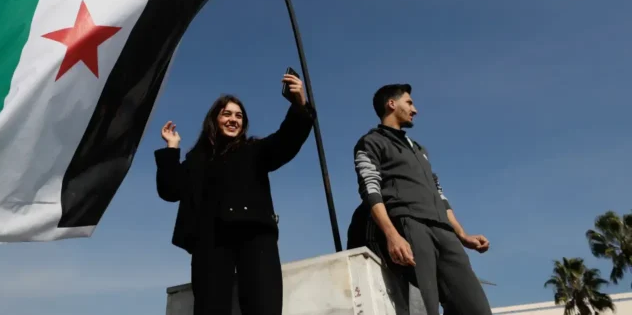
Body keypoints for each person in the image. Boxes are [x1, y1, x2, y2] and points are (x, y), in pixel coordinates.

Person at [155, 72, 315, 315]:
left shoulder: (254, 150)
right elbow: (169, 190)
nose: (233, 120)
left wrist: (299, 104)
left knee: (264, 306)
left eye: (239, 116)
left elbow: (286, 141)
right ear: (214, 119)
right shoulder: (196, 160)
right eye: (227, 114)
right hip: (209, 242)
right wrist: (172, 148)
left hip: (255, 236)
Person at [351, 83, 491, 315]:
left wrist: (462, 235)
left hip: (444, 232)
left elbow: (439, 194)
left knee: (475, 307)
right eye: (409, 102)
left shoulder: (419, 150)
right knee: (426, 307)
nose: (415, 109)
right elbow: (370, 190)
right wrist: (392, 235)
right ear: (391, 104)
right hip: (410, 225)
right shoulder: (371, 142)